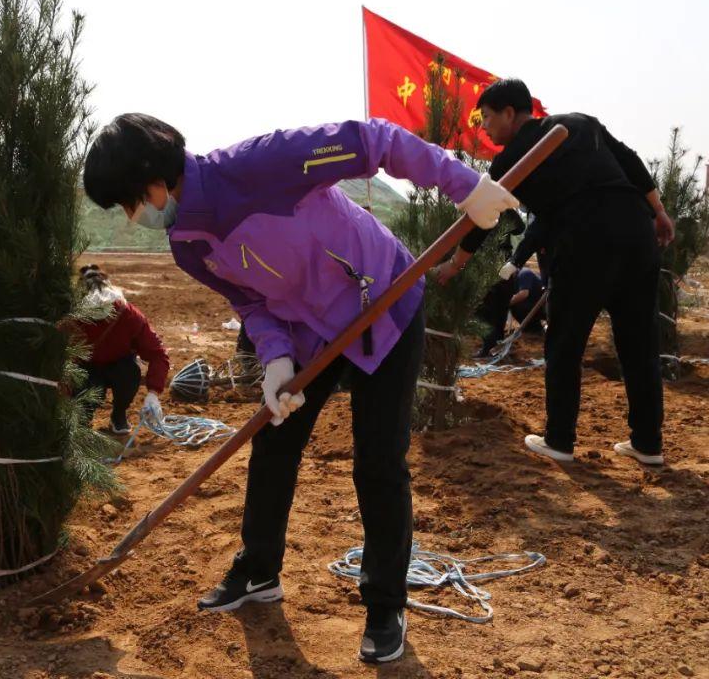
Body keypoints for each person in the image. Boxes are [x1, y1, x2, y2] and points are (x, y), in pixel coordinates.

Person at [83, 113, 518, 664]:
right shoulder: (187, 245)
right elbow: (250, 303)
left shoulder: (260, 164)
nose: (132, 218)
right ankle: (258, 570)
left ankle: (385, 602)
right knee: (274, 440)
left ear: (153, 181)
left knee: (378, 459)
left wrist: (465, 186)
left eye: (128, 204)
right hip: (310, 330)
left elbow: (374, 142)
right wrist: (276, 360)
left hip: (383, 299)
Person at [435, 78, 674, 467]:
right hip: (635, 232)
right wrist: (659, 212)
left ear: (511, 113)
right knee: (639, 344)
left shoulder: (510, 158)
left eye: (488, 118)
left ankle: (559, 440)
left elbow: (483, 219)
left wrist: (455, 264)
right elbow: (629, 160)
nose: (484, 127)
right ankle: (648, 444)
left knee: (564, 344)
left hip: (584, 241)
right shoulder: (579, 122)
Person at [74, 265, 170, 435]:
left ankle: (119, 414)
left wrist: (153, 393)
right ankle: (83, 418)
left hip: (120, 366)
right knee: (80, 384)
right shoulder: (71, 318)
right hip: (86, 369)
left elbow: (157, 354)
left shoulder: (129, 315)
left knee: (129, 372)